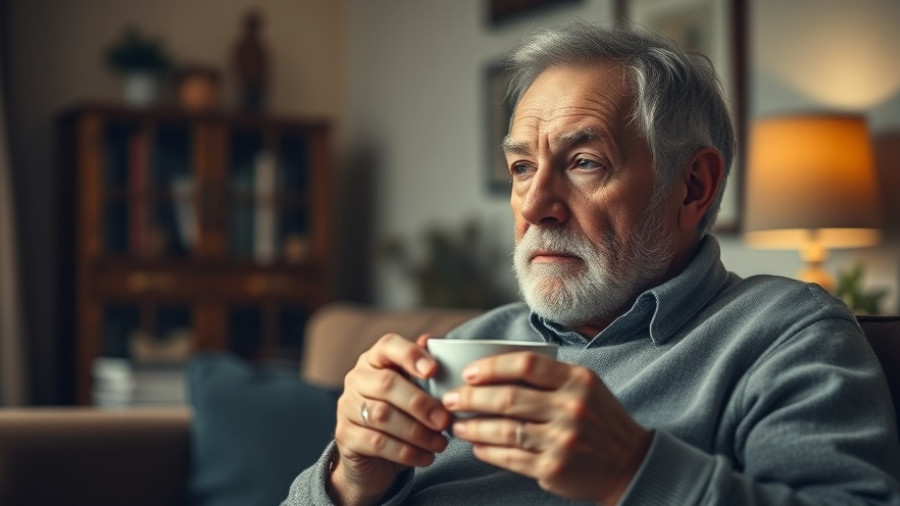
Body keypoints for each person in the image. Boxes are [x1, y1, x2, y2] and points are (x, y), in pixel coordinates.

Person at [283, 22, 900, 505]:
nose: (535, 205)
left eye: (584, 162)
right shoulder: (469, 343)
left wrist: (632, 470)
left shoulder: (784, 333)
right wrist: (350, 479)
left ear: (693, 186)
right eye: (522, 167)